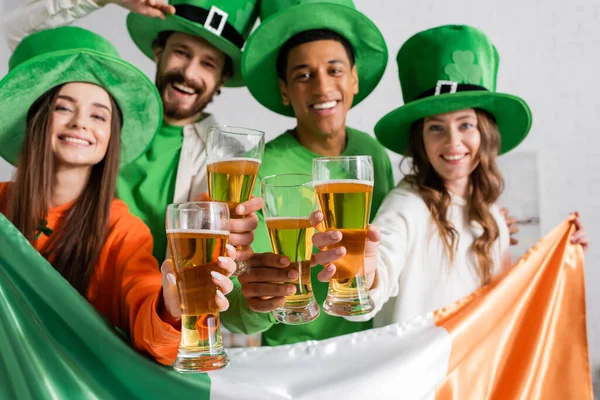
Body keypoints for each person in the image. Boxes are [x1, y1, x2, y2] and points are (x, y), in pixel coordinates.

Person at [312, 24, 590, 328]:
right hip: (422, 375)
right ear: (420, 140)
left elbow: (505, 299)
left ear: (486, 133)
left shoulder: (491, 213)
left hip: (474, 373)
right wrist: (364, 273)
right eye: (436, 128)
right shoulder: (406, 206)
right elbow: (376, 278)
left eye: (465, 125)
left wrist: (559, 259)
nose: (452, 142)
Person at [0, 26, 237, 364]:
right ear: (37, 119)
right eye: (64, 108)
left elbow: (152, 327)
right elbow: (23, 22)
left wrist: (170, 307)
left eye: (99, 115)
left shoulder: (122, 231)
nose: (82, 122)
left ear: (112, 137)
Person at [4, 0, 264, 264]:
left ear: (222, 78)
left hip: (147, 298)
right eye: (181, 53)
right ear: (158, 51)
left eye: (208, 64)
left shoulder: (226, 162)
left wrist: (235, 246)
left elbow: (220, 262)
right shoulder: (101, 114)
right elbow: (24, 37)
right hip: (63, 280)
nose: (188, 73)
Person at [220, 0, 395, 345]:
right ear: (284, 90)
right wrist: (260, 302)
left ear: (355, 79)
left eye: (335, 70)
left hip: (369, 350)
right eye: (303, 75)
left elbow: (396, 241)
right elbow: (234, 311)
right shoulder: (261, 169)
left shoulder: (371, 153)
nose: (321, 87)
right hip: (290, 363)